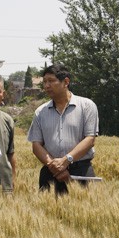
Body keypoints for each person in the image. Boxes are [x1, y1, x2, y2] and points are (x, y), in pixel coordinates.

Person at [27, 64, 99, 194]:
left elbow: (90, 139)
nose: (47, 85)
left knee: (84, 212)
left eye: (51, 81)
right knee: (47, 212)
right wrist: (54, 166)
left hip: (80, 171)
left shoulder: (87, 106)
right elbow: (36, 145)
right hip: (50, 172)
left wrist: (66, 161)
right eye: (45, 82)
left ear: (66, 82)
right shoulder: (40, 112)